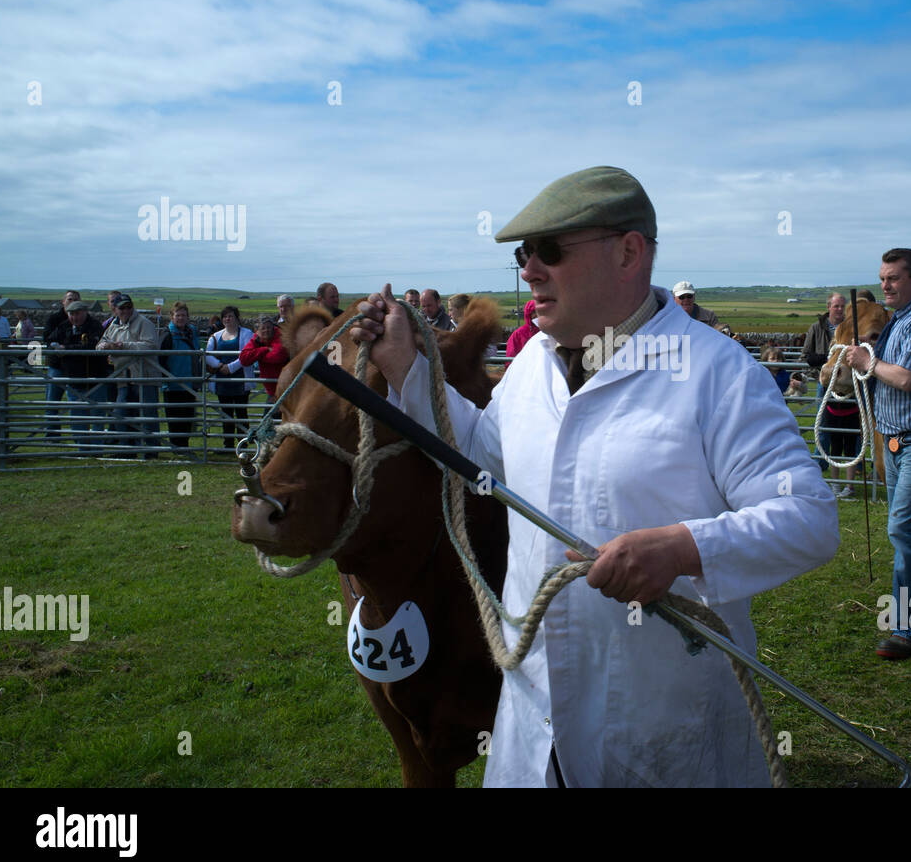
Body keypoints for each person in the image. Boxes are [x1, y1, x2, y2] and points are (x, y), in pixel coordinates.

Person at [351, 165, 837, 787]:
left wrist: (684, 548)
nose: (529, 270)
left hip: (660, 723)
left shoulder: (717, 371)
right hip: (533, 720)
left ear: (629, 252)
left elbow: (809, 519)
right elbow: (486, 454)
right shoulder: (533, 363)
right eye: (525, 254)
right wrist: (405, 369)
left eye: (550, 251)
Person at [842, 248, 911, 659]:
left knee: (903, 530)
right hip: (896, 439)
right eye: (883, 278)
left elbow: (908, 379)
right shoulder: (904, 318)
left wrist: (867, 362)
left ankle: (910, 631)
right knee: (910, 530)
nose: (885, 286)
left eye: (893, 278)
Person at [97, 294, 161, 456]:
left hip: (144, 376)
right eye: (122, 308)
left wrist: (121, 346)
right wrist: (105, 346)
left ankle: (152, 450)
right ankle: (127, 449)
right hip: (123, 377)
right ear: (115, 309)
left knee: (147, 415)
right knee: (121, 414)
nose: (125, 310)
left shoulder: (144, 323)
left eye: (128, 307)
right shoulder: (113, 326)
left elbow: (150, 345)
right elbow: (99, 345)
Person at [51, 301, 110, 453]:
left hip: (96, 376)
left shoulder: (95, 326)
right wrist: (55, 348)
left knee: (97, 413)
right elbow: (50, 340)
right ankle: (82, 448)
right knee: (77, 415)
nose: (74, 317)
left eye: (77, 314)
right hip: (74, 377)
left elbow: (92, 345)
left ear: (85, 312)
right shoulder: (63, 326)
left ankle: (97, 448)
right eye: (71, 314)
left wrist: (66, 349)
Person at [205, 306, 255, 450]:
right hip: (222, 381)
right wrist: (221, 366)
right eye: (225, 316)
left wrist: (231, 367)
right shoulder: (215, 336)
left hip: (241, 380)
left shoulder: (247, 334)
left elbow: (247, 353)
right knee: (226, 414)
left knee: (241, 413)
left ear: (237, 318)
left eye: (231, 316)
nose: (228, 319)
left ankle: (242, 444)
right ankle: (227, 444)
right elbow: (208, 355)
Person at [159, 302, 202, 450]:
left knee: (188, 417)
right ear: (172, 317)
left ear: (188, 317)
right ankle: (177, 447)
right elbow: (160, 360)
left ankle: (184, 446)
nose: (181, 318)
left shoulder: (192, 333)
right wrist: (167, 379)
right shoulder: (167, 335)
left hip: (190, 383)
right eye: (178, 315)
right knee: (175, 419)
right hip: (173, 385)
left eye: (183, 315)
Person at [43, 290, 82, 439]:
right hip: (57, 366)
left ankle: (79, 436)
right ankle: (52, 434)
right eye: (70, 299)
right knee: (52, 401)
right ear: (63, 302)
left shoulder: (83, 319)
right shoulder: (55, 318)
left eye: (76, 299)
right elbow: (46, 338)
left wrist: (66, 348)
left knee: (76, 402)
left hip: (75, 367)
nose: (72, 302)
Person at [239, 316, 290, 401]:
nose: (266, 330)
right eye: (263, 328)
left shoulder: (280, 335)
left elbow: (277, 356)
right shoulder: (257, 339)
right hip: (272, 391)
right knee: (270, 414)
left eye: (268, 327)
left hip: (287, 388)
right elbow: (243, 359)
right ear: (257, 331)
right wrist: (264, 349)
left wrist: (257, 356)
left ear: (273, 328)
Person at [800, 292, 846, 370]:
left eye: (842, 306)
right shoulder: (816, 328)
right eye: (836, 306)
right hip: (823, 375)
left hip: (845, 376)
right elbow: (806, 355)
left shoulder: (851, 327)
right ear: (828, 307)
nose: (840, 309)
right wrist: (824, 359)